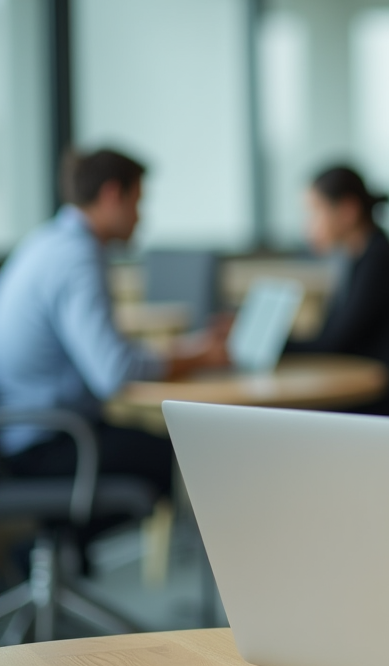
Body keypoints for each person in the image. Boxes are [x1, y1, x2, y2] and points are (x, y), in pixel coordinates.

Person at [0, 149, 227, 501]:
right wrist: (198, 356)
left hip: (29, 431)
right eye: (137, 203)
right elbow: (114, 371)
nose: (140, 218)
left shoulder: (44, 242)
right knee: (194, 456)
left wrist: (188, 351)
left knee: (160, 442)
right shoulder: (77, 257)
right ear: (111, 195)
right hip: (51, 441)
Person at [287, 166, 389, 416]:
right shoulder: (357, 260)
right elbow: (329, 335)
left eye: (315, 212)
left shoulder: (379, 262)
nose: (307, 227)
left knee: (306, 419)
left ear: (348, 211)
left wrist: (271, 348)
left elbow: (333, 343)